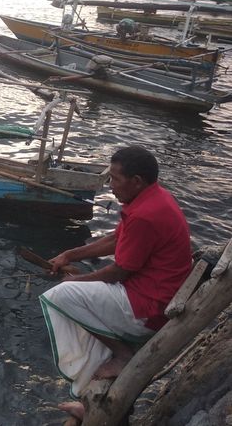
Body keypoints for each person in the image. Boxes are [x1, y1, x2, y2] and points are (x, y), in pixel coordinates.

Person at [39, 146, 192, 421]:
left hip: (151, 306)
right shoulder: (150, 199)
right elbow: (114, 240)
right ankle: (88, 400)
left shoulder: (146, 214)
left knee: (60, 296)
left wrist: (77, 280)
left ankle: (122, 354)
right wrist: (69, 255)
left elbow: (119, 271)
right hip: (149, 293)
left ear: (136, 181)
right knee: (83, 306)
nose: (110, 186)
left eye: (115, 179)